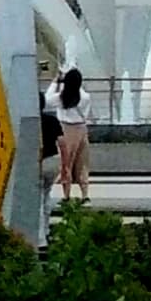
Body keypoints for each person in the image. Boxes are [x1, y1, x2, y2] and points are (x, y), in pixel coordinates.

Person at [54, 67, 92, 201]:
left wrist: (57, 82)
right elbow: (79, 91)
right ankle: (85, 194)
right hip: (81, 129)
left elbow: (46, 99)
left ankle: (66, 195)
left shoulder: (61, 97)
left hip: (65, 128)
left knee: (66, 163)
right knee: (82, 162)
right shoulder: (86, 97)